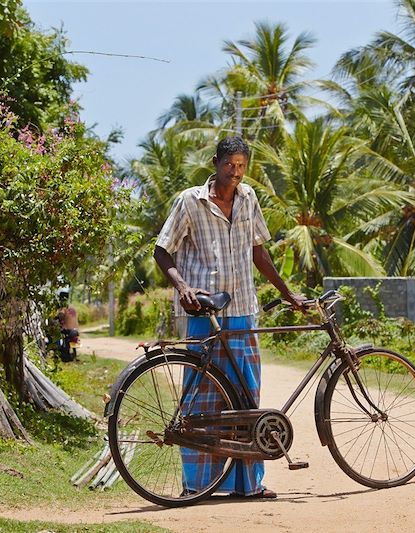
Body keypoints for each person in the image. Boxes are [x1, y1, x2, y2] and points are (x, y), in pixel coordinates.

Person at [154, 136, 305, 499]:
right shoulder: (191, 201)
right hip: (203, 311)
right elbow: (162, 251)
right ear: (215, 162)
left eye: (241, 166)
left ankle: (248, 484)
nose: (235, 173)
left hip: (242, 311)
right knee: (201, 399)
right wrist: (183, 288)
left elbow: (259, 252)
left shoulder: (249, 198)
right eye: (229, 165)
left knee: (246, 396)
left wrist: (287, 294)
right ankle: (197, 485)